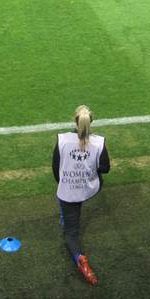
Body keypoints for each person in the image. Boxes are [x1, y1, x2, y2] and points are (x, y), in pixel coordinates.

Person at [52, 105, 111, 286]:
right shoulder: (99, 142)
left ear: (74, 121)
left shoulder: (62, 140)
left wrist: (65, 182)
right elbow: (105, 168)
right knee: (92, 184)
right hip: (89, 188)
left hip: (68, 191)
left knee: (71, 234)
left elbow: (56, 169)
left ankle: (80, 258)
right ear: (91, 122)